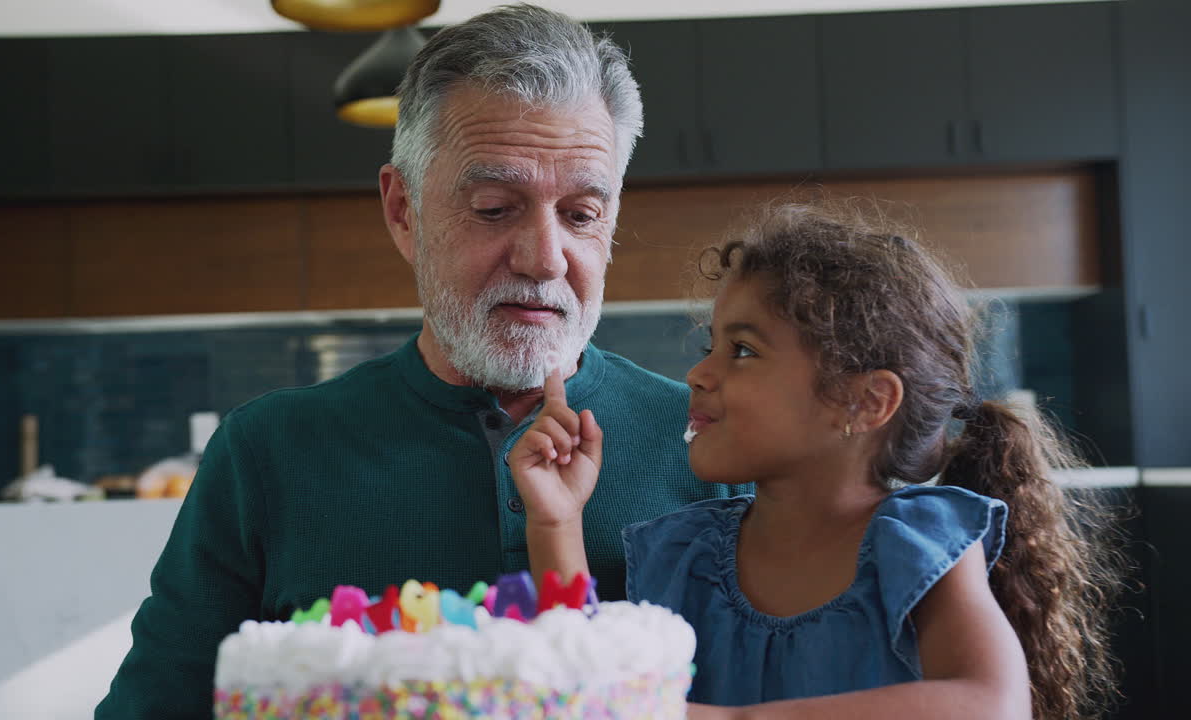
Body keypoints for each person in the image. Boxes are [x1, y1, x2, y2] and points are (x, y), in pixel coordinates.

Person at [95, 5, 747, 718]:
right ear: (403, 210)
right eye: (495, 208)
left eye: (582, 214)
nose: (544, 257)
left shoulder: (714, 442)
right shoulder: (266, 455)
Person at [511, 198, 1126, 720]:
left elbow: (989, 703)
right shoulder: (685, 552)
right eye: (711, 345)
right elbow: (592, 683)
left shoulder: (915, 542)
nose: (699, 373)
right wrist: (556, 522)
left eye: (743, 351)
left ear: (864, 400)